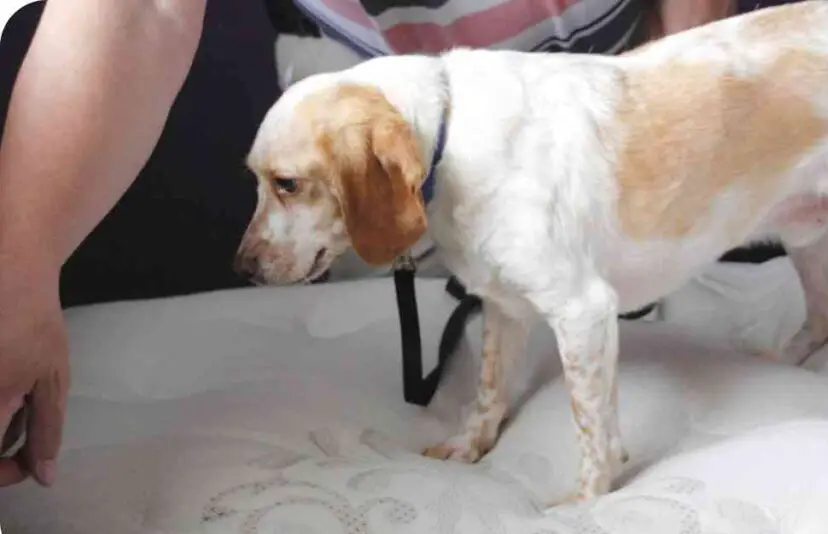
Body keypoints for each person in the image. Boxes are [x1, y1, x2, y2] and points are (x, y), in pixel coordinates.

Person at [0, 0, 735, 488]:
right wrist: (19, 265)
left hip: (645, 93)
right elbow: (140, 10)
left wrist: (660, 94)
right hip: (428, 118)